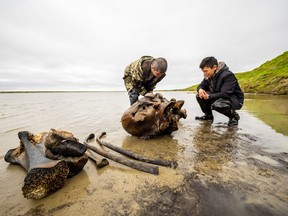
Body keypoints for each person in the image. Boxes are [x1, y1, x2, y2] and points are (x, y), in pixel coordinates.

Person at [195, 56, 244, 126]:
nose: (204, 73)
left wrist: (209, 96)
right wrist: (200, 90)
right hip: (219, 96)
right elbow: (201, 86)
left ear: (214, 67)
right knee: (199, 96)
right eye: (203, 71)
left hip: (234, 100)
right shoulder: (208, 76)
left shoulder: (228, 75)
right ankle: (208, 116)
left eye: (206, 71)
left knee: (218, 105)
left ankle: (234, 117)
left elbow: (225, 94)